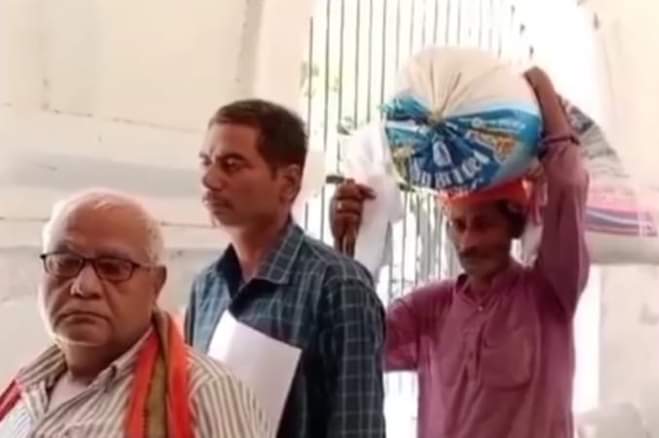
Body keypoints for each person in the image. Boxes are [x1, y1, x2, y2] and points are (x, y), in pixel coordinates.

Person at [330, 67, 589, 438]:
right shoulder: (429, 309)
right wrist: (346, 248)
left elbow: (569, 183)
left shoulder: (549, 295)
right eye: (459, 225)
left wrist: (543, 89)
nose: (468, 243)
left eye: (483, 224)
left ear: (515, 225)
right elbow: (351, 346)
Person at [184, 99, 386, 438]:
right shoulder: (207, 286)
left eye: (232, 165)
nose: (210, 179)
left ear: (288, 183)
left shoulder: (338, 286)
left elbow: (357, 426)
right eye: (206, 162)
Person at [0, 189, 269, 438]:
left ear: (156, 284)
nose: (84, 286)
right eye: (65, 262)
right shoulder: (30, 385)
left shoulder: (204, 393)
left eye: (113, 267)